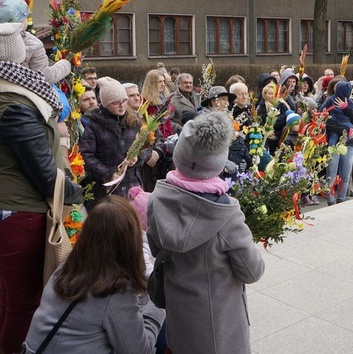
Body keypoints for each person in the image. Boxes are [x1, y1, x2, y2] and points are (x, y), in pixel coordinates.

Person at [148, 112, 265, 354]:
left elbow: (157, 250)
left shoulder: (157, 199)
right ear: (218, 161)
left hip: (179, 315)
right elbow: (252, 271)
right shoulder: (226, 214)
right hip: (219, 325)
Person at [0, 18, 82, 354]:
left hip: (12, 208)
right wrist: (77, 193)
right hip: (22, 210)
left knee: (8, 297)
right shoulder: (14, 103)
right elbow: (43, 173)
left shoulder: (11, 94)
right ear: (16, 58)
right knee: (25, 303)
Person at [22, 196, 164, 353]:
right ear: (130, 242)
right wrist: (159, 303)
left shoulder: (67, 267)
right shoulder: (114, 291)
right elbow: (141, 351)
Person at [79, 77, 152, 202]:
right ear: (106, 104)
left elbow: (148, 144)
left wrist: (139, 157)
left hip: (132, 185)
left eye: (124, 101)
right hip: (106, 190)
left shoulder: (134, 120)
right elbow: (86, 155)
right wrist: (107, 174)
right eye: (116, 103)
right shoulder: (95, 124)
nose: (122, 105)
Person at [319, 80, 353, 205]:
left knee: (345, 172)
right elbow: (322, 116)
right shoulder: (330, 100)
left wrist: (346, 108)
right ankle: (331, 199)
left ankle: (341, 198)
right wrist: (345, 129)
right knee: (331, 172)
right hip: (335, 141)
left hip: (348, 142)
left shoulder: (350, 102)